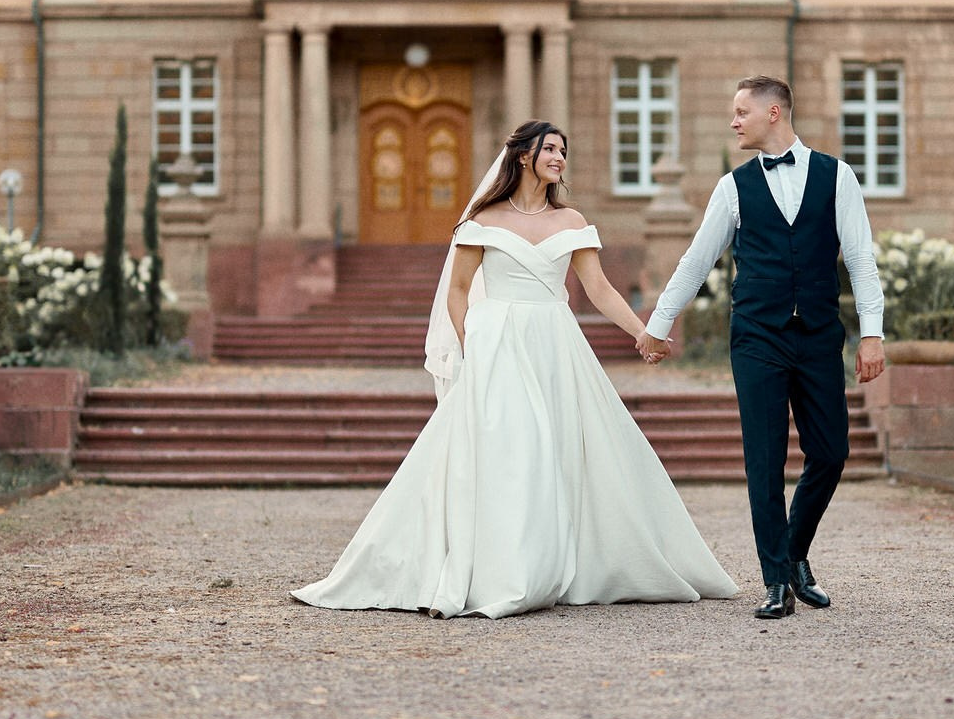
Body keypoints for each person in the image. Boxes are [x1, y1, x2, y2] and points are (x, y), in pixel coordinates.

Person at [293, 120, 739, 619]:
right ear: (525, 156)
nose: (559, 157)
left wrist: (642, 331)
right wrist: (472, 345)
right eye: (550, 148)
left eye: (563, 151)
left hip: (554, 341)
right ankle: (506, 569)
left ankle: (563, 560)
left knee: (564, 444)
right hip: (496, 341)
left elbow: (599, 289)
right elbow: (457, 292)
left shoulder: (571, 222)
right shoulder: (483, 219)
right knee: (512, 451)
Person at [638, 76, 885, 620]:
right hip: (757, 338)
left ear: (774, 112)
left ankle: (794, 553)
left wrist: (872, 333)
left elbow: (861, 260)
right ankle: (776, 580)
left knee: (831, 452)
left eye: (740, 112)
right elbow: (696, 261)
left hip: (819, 335)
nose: (733, 122)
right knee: (764, 460)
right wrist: (658, 323)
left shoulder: (837, 176)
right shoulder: (732, 187)